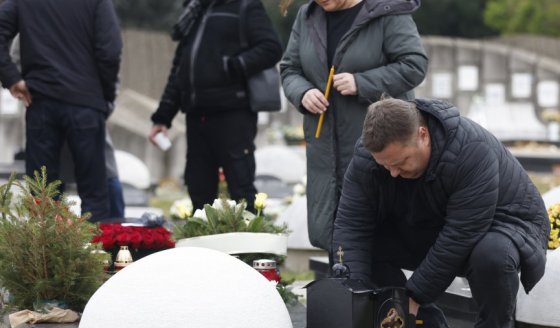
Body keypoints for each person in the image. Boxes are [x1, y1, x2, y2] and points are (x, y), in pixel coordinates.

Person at [332, 98, 550, 328]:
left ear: (423, 135)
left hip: (502, 223)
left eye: (400, 162)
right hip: (430, 220)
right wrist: (354, 302)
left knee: (492, 254)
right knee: (364, 246)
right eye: (385, 166)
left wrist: (413, 297)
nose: (393, 173)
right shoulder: (370, 156)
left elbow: (460, 235)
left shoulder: (471, 150)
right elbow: (351, 225)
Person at [280, 0, 428, 253]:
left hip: (379, 147)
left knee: (379, 241)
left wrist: (362, 83)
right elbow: (289, 69)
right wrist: (303, 93)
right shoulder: (307, 15)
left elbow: (414, 65)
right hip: (324, 154)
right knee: (335, 241)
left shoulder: (386, 10)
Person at [149, 0, 282, 212]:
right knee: (199, 194)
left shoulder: (245, 6)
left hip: (233, 114)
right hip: (196, 116)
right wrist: (162, 118)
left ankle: (251, 244)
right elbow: (179, 71)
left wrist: (231, 66)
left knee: (242, 191)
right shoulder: (195, 10)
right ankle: (203, 244)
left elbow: (271, 48)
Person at [0, 0, 122, 222]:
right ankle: (98, 250)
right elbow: (110, 51)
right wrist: (104, 95)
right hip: (85, 101)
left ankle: (46, 252)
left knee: (43, 193)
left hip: (41, 100)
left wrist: (12, 78)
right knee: (94, 191)